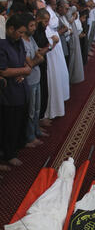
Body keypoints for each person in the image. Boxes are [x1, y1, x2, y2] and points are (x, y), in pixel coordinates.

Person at [0, 14, 32, 167]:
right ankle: (9, 154)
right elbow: (4, 71)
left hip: (21, 89)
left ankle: (17, 146)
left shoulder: (18, 41)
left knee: (20, 121)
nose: (21, 35)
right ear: (10, 29)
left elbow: (26, 64)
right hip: (9, 93)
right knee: (9, 125)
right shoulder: (2, 45)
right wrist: (23, 71)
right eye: (19, 32)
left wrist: (24, 72)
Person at [22, 12, 48, 148]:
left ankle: (37, 130)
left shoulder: (31, 39)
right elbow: (30, 63)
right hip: (30, 80)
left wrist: (37, 58)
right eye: (31, 26)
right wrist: (37, 59)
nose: (34, 28)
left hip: (36, 77)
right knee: (31, 111)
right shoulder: (23, 42)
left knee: (37, 109)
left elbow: (38, 55)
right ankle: (30, 137)